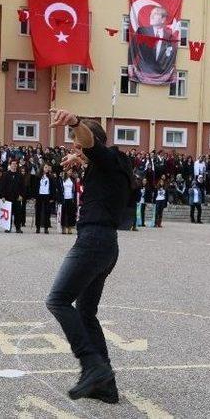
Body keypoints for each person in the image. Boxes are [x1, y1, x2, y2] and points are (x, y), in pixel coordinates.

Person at [46, 109, 133, 403]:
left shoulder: (108, 157)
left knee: (58, 300)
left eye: (77, 145)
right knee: (85, 311)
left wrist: (73, 123)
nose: (74, 149)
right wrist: (82, 159)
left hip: (94, 242)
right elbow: (93, 153)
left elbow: (91, 143)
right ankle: (105, 384)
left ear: (90, 142)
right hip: (106, 244)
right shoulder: (110, 166)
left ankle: (91, 364)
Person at [1, 161, 25, 233]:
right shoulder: (6, 174)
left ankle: (18, 228)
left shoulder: (20, 175)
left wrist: (21, 195)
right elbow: (3, 186)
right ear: (10, 165)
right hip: (8, 197)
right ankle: (8, 227)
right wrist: (3, 196)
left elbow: (22, 187)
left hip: (17, 197)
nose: (14, 165)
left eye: (15, 164)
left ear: (17, 166)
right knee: (9, 213)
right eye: (13, 164)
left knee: (18, 213)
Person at [34, 164, 56, 234]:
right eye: (45, 167)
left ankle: (46, 227)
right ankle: (38, 227)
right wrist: (34, 196)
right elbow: (35, 187)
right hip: (39, 195)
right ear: (42, 168)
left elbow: (53, 188)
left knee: (47, 212)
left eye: (47, 167)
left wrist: (52, 197)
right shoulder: (38, 176)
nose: (47, 169)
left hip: (47, 195)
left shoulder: (50, 177)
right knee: (38, 211)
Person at [58, 168, 77, 234]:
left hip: (71, 198)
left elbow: (75, 190)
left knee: (70, 214)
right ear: (66, 171)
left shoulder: (73, 179)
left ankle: (69, 228)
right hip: (64, 198)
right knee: (63, 214)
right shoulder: (62, 179)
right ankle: (63, 227)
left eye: (71, 171)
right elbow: (60, 189)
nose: (70, 172)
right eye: (69, 171)